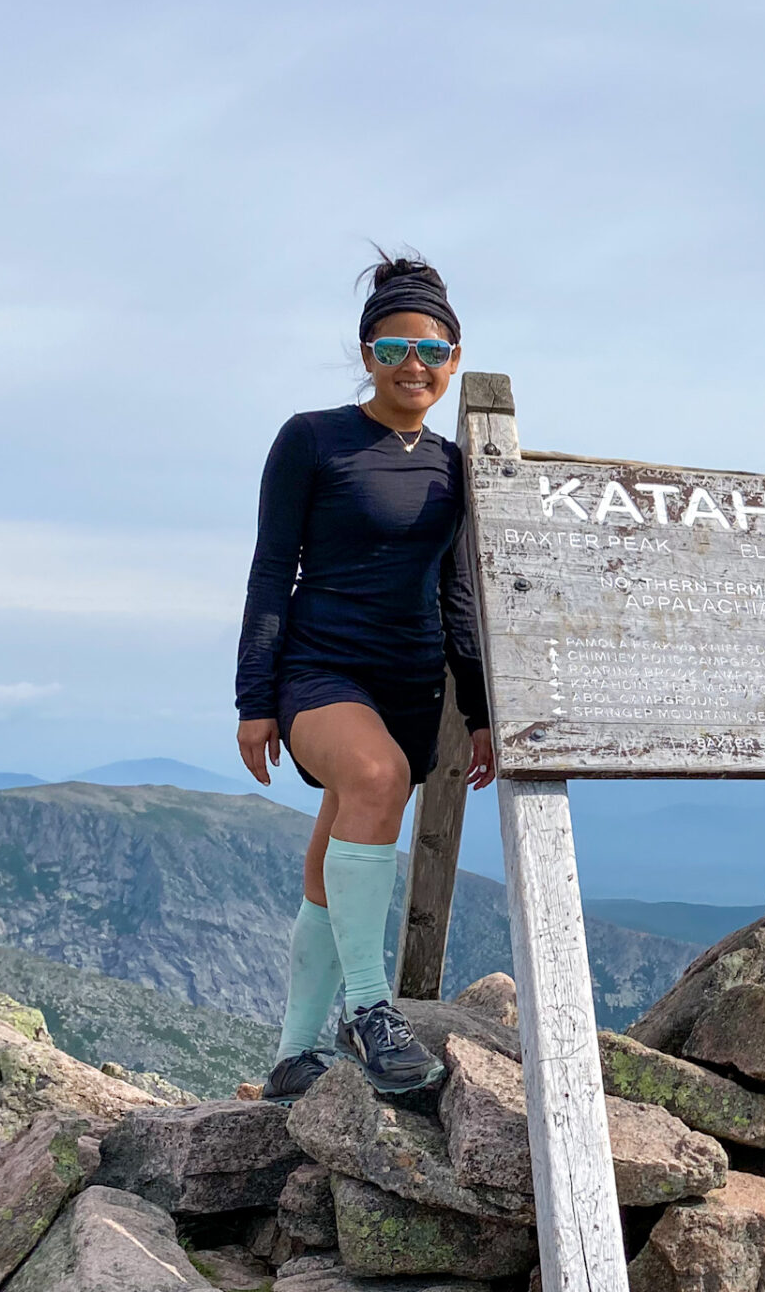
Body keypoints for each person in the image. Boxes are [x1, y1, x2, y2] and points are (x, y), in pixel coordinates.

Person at [235, 251, 495, 1102]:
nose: (413, 366)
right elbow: (273, 571)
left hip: (412, 681)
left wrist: (483, 710)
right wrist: (254, 697)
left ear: (454, 360)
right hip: (319, 669)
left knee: (336, 853)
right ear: (366, 354)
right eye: (393, 350)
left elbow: (460, 593)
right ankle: (369, 1010)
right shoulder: (311, 440)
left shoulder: (460, 467)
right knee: (375, 776)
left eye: (432, 351)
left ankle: (294, 1055)